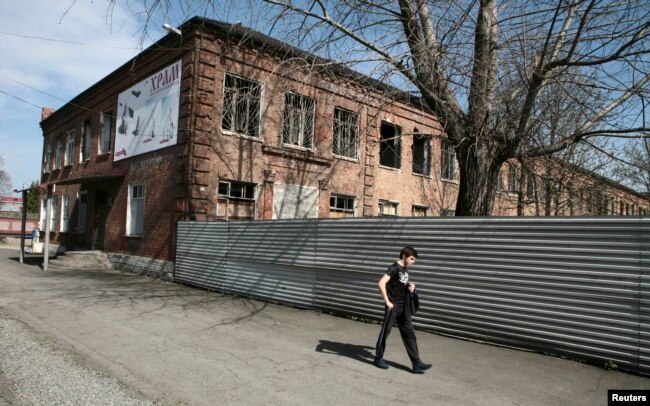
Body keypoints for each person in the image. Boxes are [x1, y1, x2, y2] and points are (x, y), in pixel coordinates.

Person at [373, 245, 432, 374]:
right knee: (386, 331)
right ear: (404, 256)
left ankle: (416, 363)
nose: (413, 262)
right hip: (393, 306)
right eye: (412, 259)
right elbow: (381, 283)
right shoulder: (394, 268)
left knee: (409, 333)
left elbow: (399, 285)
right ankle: (378, 358)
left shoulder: (404, 270)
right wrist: (387, 301)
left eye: (414, 260)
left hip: (403, 307)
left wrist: (411, 288)